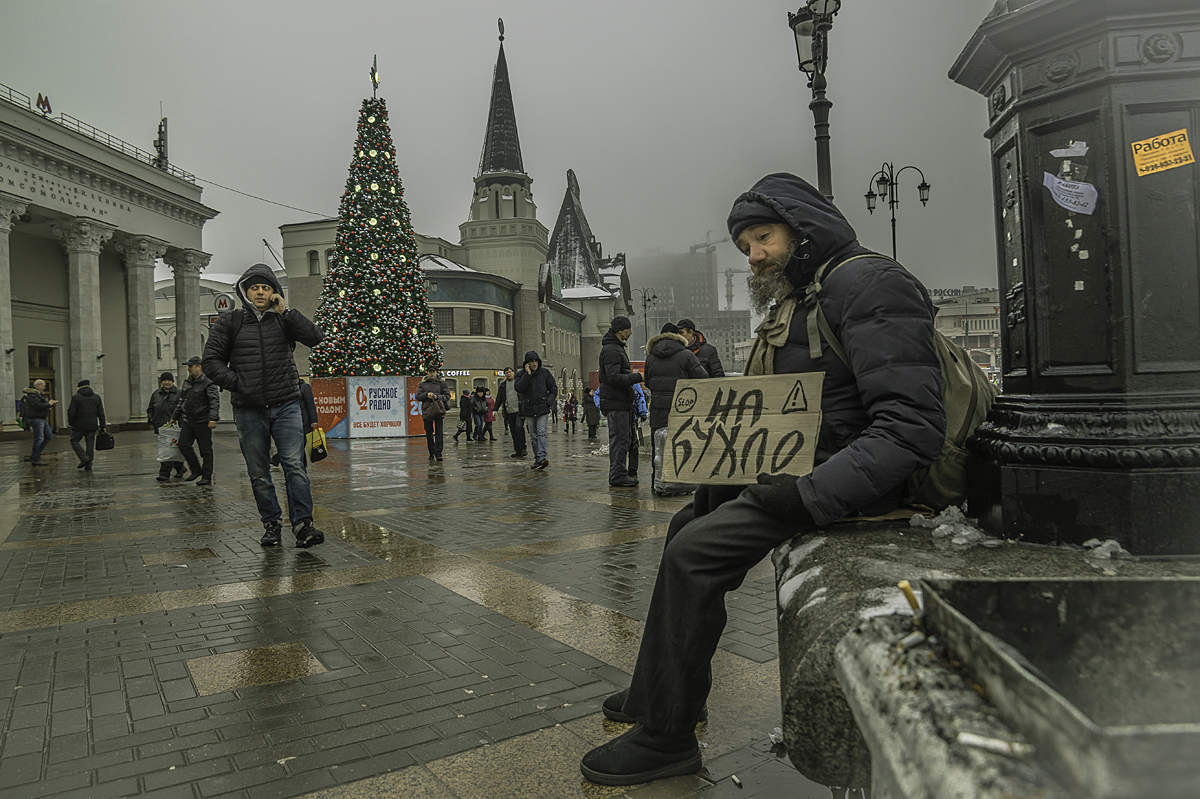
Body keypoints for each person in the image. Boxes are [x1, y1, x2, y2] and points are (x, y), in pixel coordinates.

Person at [580, 173, 946, 786]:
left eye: (763, 237)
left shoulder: (869, 284)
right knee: (685, 525)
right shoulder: (810, 292)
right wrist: (717, 476)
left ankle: (668, 739)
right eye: (745, 244)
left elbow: (910, 427)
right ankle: (660, 696)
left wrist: (806, 495)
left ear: (804, 229)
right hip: (805, 471)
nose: (753, 255)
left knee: (697, 553)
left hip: (855, 489)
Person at [203, 262, 325, 548]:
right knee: (258, 471)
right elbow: (211, 361)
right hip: (248, 408)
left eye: (265, 287)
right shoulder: (230, 322)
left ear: (274, 292)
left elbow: (316, 338)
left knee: (294, 465)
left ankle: (303, 525)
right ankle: (271, 524)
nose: (259, 292)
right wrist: (238, 382)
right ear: (245, 291)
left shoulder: (284, 320)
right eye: (254, 287)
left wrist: (287, 312)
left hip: (286, 404)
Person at [645, 323, 708, 492]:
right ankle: (682, 483)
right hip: (682, 410)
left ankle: (657, 482)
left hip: (658, 409)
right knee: (682, 444)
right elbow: (703, 378)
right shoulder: (686, 355)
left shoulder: (651, 357)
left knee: (658, 447)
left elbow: (648, 382)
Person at [597, 316, 644, 488]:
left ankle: (621, 473)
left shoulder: (615, 348)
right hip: (616, 402)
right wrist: (637, 377)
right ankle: (617, 475)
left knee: (624, 439)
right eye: (629, 329)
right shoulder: (612, 350)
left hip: (621, 401)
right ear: (621, 330)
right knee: (620, 440)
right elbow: (613, 377)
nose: (631, 332)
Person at [173, 356, 220, 485]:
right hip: (188, 420)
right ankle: (196, 470)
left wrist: (213, 418)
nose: (188, 369)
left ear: (199, 366)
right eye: (188, 367)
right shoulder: (187, 381)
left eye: (190, 366)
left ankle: (206, 476)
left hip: (203, 421)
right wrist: (174, 416)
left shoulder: (208, 382)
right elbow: (182, 400)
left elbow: (214, 401)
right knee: (183, 444)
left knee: (205, 450)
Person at [515, 350, 557, 470]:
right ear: (527, 363)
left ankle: (542, 457)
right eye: (531, 361)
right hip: (528, 409)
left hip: (542, 408)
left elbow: (553, 388)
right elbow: (519, 388)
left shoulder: (544, 373)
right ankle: (538, 459)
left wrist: (548, 401)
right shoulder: (521, 374)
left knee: (541, 432)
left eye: (535, 361)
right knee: (533, 435)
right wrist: (527, 375)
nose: (534, 364)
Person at [148, 372, 185, 481]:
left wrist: (180, 423)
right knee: (170, 449)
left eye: (169, 380)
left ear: (172, 382)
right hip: (161, 427)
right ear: (161, 382)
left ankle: (164, 474)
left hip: (175, 427)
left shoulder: (179, 394)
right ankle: (180, 468)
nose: (167, 382)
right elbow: (151, 409)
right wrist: (152, 420)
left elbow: (183, 409)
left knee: (168, 450)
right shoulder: (156, 394)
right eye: (165, 380)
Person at [67, 379, 104, 470]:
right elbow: (101, 413)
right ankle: (89, 465)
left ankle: (84, 458)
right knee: (90, 445)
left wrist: (71, 423)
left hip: (79, 425)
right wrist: (103, 426)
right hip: (92, 425)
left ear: (79, 387)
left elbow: (71, 412)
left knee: (74, 441)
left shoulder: (76, 397)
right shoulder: (96, 397)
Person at [417, 368, 451, 462]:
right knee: (429, 433)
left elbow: (447, 396)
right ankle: (431, 452)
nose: (432, 374)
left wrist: (437, 397)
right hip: (427, 411)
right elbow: (418, 396)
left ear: (436, 372)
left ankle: (438, 453)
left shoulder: (441, 383)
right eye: (430, 372)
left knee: (439, 433)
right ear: (427, 373)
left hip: (438, 410)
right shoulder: (422, 384)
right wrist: (426, 395)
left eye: (433, 372)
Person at [21, 380, 55, 466]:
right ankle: (35, 459)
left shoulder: (37, 394)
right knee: (39, 439)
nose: (44, 387)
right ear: (38, 385)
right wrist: (49, 404)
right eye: (43, 385)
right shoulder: (32, 395)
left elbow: (40, 405)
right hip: (36, 419)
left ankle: (34, 455)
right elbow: (37, 406)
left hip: (41, 418)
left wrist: (48, 406)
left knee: (49, 436)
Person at [496, 367, 526, 457]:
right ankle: (517, 451)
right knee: (513, 431)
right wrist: (495, 409)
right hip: (509, 411)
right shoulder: (503, 385)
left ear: (513, 372)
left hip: (519, 410)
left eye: (510, 372)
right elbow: (499, 398)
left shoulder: (519, 382)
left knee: (519, 428)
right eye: (506, 373)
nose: (508, 374)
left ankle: (523, 448)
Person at [298, 378, 319, 467]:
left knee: (300, 446)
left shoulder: (305, 387)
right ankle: (303, 467)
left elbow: (310, 404)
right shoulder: (290, 388)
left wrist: (314, 420)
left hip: (305, 422)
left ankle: (276, 458)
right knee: (298, 446)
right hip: (295, 421)